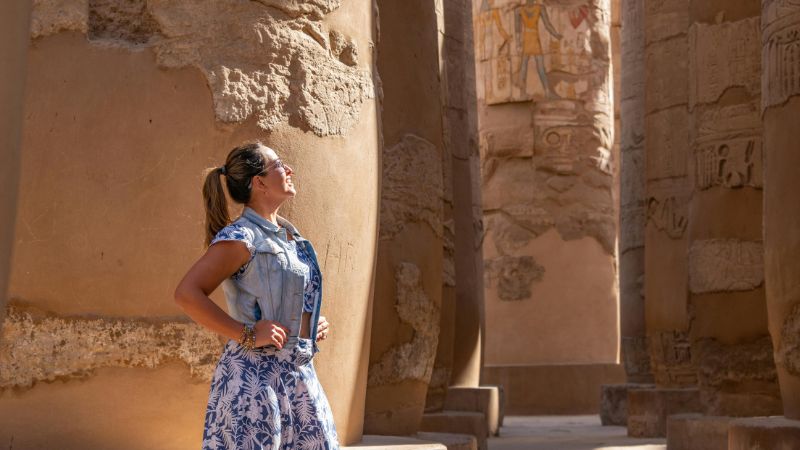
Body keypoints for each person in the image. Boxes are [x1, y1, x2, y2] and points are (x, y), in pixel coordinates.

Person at [174, 142, 339, 449]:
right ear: (259, 182)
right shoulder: (241, 237)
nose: (289, 170)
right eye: (279, 165)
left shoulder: (290, 237)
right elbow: (186, 294)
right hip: (254, 383)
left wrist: (310, 324)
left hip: (299, 378)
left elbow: (287, 300)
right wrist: (246, 334)